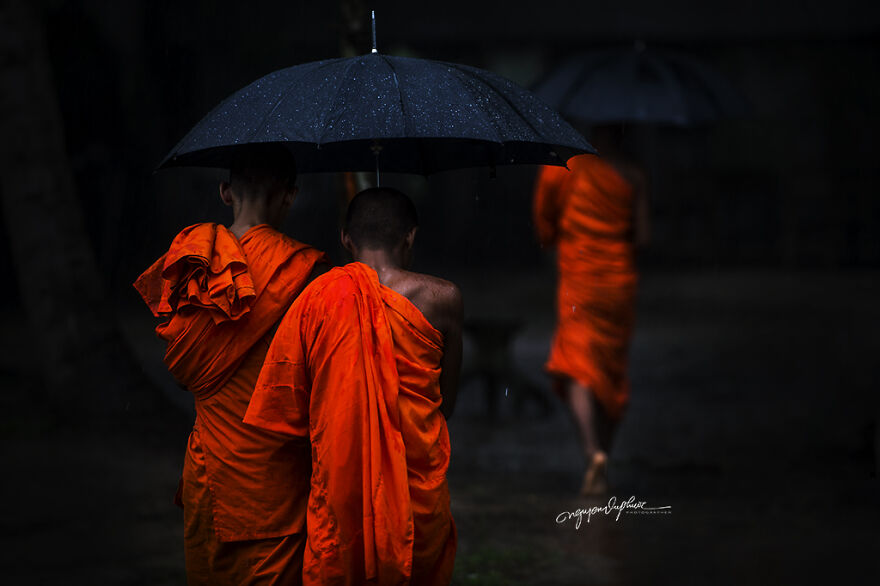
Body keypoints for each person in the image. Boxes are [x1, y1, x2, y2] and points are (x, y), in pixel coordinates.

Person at [245, 187, 462, 585]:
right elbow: (446, 405)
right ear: (410, 236)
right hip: (417, 496)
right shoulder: (443, 298)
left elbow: (290, 405)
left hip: (341, 484)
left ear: (346, 238)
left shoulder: (315, 299)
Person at [133, 145, 328, 585]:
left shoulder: (190, 266)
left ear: (225, 192)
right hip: (274, 475)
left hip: (211, 475)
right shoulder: (305, 272)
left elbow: (183, 363)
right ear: (290, 196)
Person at [533, 124, 649, 496]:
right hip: (618, 279)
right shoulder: (633, 175)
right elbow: (643, 237)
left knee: (577, 361)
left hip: (579, 273)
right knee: (611, 370)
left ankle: (591, 452)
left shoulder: (563, 167)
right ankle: (606, 455)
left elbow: (544, 224)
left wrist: (563, 238)